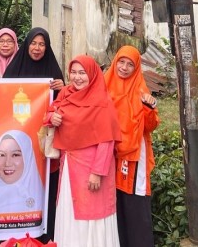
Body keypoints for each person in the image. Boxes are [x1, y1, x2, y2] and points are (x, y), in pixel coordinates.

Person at [46, 55, 122, 247]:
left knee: (92, 216)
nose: (77, 77)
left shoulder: (102, 101)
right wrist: (51, 118)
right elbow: (50, 111)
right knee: (69, 212)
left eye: (82, 73)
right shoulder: (65, 94)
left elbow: (107, 141)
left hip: (91, 170)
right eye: (73, 72)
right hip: (69, 168)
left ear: (93, 75)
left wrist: (97, 173)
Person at [2, 27, 65, 240]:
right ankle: (17, 232)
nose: (37, 48)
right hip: (18, 142)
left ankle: (45, 234)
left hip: (44, 144)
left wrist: (63, 88)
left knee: (44, 183)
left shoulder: (54, 73)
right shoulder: (13, 71)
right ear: (27, 44)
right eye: (33, 43)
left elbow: (65, 106)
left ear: (47, 48)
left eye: (42, 44)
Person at [104, 45, 159, 247]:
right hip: (108, 153)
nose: (125, 68)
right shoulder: (103, 84)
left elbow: (150, 126)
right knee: (114, 205)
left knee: (134, 206)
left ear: (136, 68)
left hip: (134, 156)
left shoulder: (141, 90)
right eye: (122, 62)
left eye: (130, 64)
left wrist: (149, 107)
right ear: (115, 61)